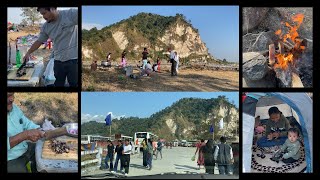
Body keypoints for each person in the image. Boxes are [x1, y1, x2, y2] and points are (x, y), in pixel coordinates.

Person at [23, 7, 78, 87]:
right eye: (42, 14)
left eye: (44, 13)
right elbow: (39, 41)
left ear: (52, 8)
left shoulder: (70, 14)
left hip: (74, 59)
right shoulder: (45, 27)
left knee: (74, 84)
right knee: (58, 83)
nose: (43, 17)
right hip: (58, 60)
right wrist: (28, 53)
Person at [7, 92, 45, 173]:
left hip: (24, 148)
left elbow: (26, 123)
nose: (12, 99)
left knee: (44, 153)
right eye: (8, 96)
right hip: (10, 159)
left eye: (12, 94)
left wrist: (39, 129)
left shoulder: (14, 108)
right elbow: (25, 134)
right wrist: (25, 135)